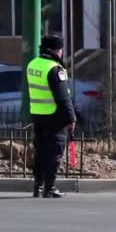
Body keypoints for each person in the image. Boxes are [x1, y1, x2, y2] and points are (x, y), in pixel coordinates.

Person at [27, 35, 76, 198]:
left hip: (37, 114)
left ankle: (38, 186)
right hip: (54, 115)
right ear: (57, 50)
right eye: (61, 49)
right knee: (54, 151)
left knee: (40, 150)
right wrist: (71, 118)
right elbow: (63, 97)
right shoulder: (54, 68)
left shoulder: (33, 64)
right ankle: (50, 187)